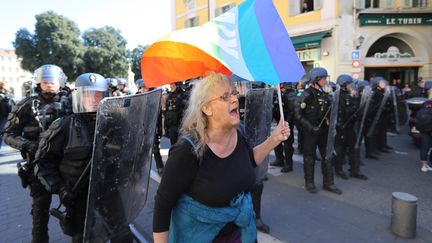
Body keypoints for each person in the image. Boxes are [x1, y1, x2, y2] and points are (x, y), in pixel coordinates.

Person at [152, 73, 289, 242]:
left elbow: (249, 161)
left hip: (241, 234)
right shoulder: (186, 151)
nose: (235, 100)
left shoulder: (239, 132)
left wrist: (274, 139)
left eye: (234, 93)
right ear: (206, 108)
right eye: (225, 96)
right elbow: (163, 204)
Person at [34, 73, 133, 242]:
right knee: (83, 238)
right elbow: (43, 164)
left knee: (122, 236)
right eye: (88, 95)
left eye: (97, 95)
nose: (93, 99)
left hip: (109, 192)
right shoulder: (64, 126)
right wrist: (61, 189)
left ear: (104, 97)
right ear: (79, 97)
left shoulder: (116, 123)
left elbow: (131, 154)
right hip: (78, 197)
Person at [3, 64, 71, 243]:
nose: (49, 85)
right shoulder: (26, 105)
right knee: (40, 211)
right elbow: (8, 134)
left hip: (68, 165)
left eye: (53, 82)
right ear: (39, 83)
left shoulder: (71, 101)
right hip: (37, 166)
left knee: (75, 206)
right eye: (45, 81)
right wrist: (27, 145)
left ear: (61, 83)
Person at [294, 67, 342, 195]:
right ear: (316, 79)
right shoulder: (305, 94)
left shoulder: (325, 94)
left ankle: (329, 183)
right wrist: (310, 127)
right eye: (324, 78)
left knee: (327, 157)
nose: (326, 80)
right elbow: (298, 115)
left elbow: (326, 111)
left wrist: (328, 119)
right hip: (310, 132)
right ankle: (309, 182)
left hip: (324, 131)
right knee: (309, 158)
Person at [333, 75, 368, 180]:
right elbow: (340, 113)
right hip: (341, 127)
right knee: (340, 150)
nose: (352, 85)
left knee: (354, 148)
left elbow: (356, 109)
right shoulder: (337, 96)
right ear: (344, 85)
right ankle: (338, 170)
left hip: (351, 126)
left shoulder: (351, 95)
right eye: (349, 83)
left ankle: (355, 170)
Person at [136, 79, 165, 175]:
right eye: (143, 88)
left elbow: (158, 116)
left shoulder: (153, 100)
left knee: (155, 149)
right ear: (140, 89)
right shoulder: (136, 99)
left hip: (152, 128)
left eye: (146, 88)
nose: (145, 90)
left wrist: (159, 131)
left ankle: (160, 167)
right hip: (140, 129)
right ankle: (139, 170)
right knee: (140, 151)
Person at [271, 83, 296, 173]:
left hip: (287, 122)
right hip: (278, 122)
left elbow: (292, 111)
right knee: (276, 142)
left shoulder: (290, 94)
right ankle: (279, 159)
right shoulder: (276, 93)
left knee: (288, 144)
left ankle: (289, 164)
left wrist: (286, 122)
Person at [416, 81, 432, 172]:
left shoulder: (424, 101)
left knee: (424, 145)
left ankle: (424, 165)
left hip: (423, 126)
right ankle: (427, 164)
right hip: (430, 126)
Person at [0, 81, 14, 149]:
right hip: (3, 115)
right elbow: (8, 105)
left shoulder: (5, 95)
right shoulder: (3, 96)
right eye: (6, 85)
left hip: (5, 115)